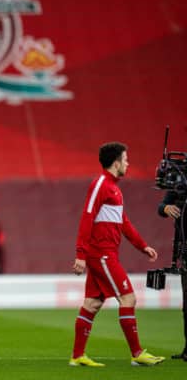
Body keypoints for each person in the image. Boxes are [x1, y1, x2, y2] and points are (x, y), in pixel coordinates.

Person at [70, 142, 165, 367]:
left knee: (92, 304)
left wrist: (142, 246)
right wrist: (80, 254)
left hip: (105, 254)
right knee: (128, 298)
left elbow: (123, 222)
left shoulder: (114, 188)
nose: (128, 163)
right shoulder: (101, 184)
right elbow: (87, 216)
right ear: (116, 162)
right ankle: (137, 354)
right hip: (102, 255)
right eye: (126, 159)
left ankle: (77, 356)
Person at [158, 190, 187, 361]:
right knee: (186, 306)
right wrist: (166, 208)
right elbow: (161, 207)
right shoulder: (180, 181)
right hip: (185, 252)